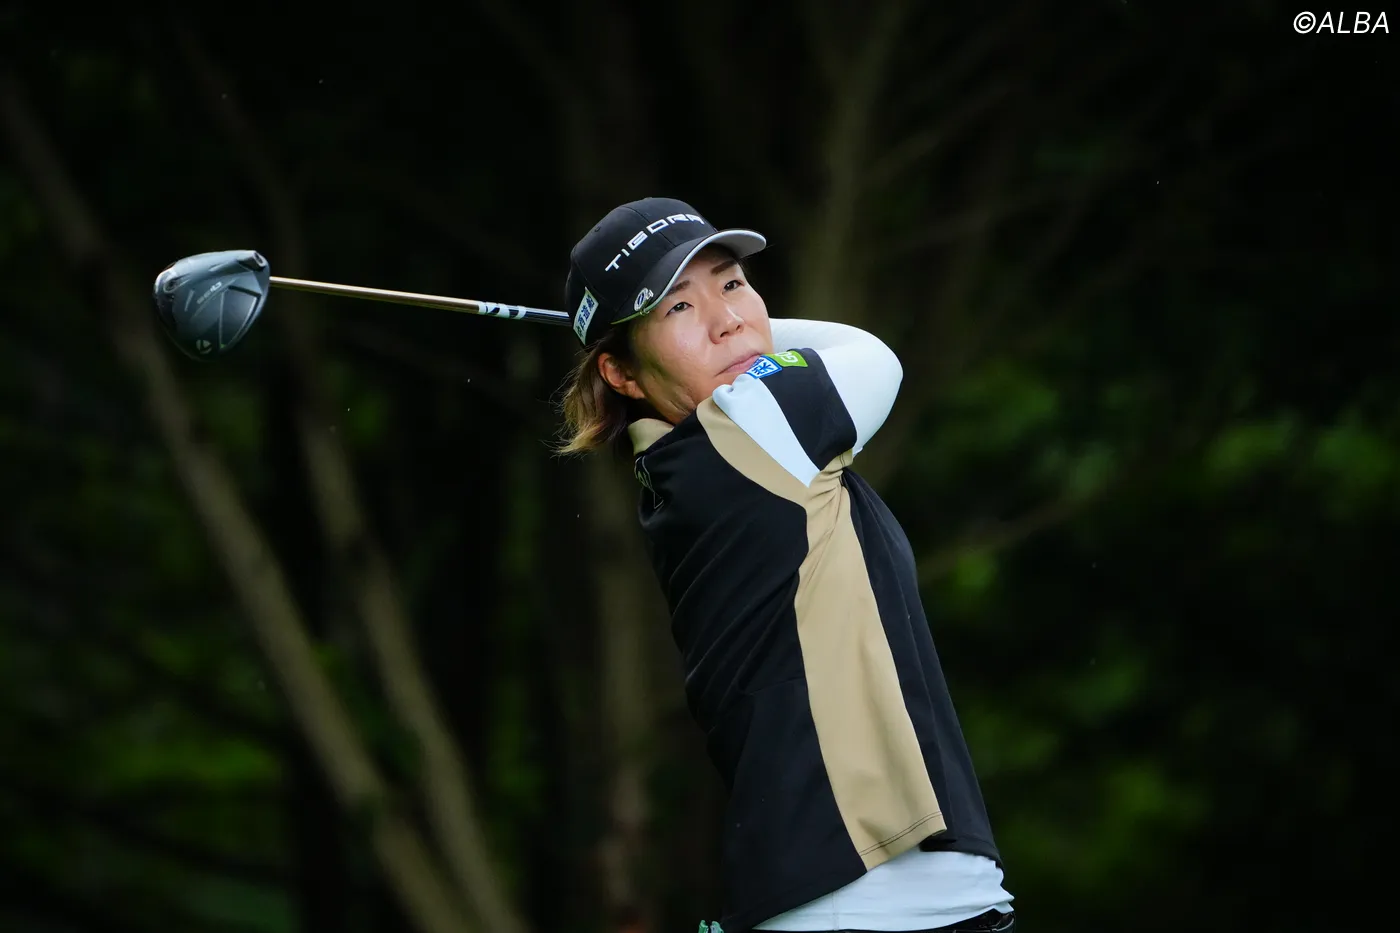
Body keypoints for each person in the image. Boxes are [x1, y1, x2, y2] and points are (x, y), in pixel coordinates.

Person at [556, 198, 1016, 933]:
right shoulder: (747, 430)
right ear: (622, 375)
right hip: (869, 908)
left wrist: (681, 337)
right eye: (679, 306)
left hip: (884, 901)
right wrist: (753, 334)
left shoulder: (691, 469)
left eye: (733, 284)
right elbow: (871, 354)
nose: (726, 319)